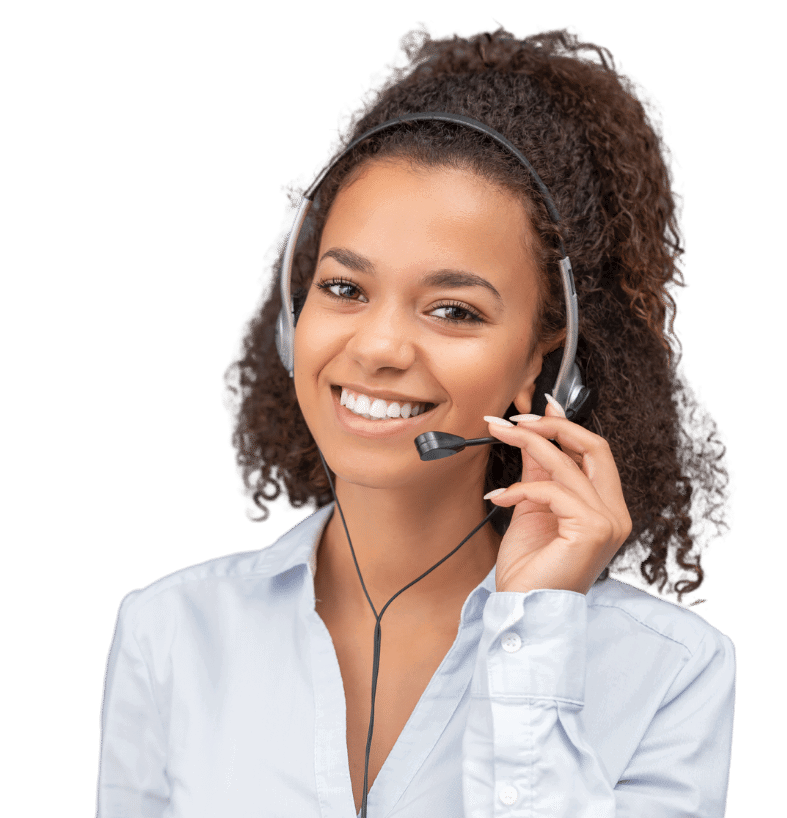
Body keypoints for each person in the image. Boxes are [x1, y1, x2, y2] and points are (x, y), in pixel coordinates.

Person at [96, 23, 736, 818]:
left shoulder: (667, 669)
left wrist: (538, 631)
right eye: (345, 289)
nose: (379, 347)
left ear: (546, 362)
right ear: (293, 321)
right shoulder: (171, 632)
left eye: (452, 309)